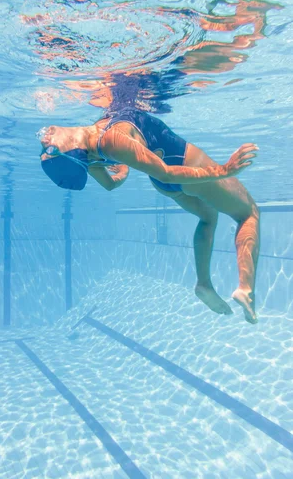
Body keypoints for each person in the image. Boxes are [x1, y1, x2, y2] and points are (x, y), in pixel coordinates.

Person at [38, 108, 260, 325]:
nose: (45, 140)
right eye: (52, 148)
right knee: (248, 213)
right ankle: (245, 289)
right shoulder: (111, 140)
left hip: (164, 184)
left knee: (208, 218)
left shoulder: (92, 157)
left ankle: (204, 284)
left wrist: (123, 171)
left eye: (45, 148)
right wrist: (224, 170)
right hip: (183, 165)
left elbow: (109, 185)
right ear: (72, 151)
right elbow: (165, 170)